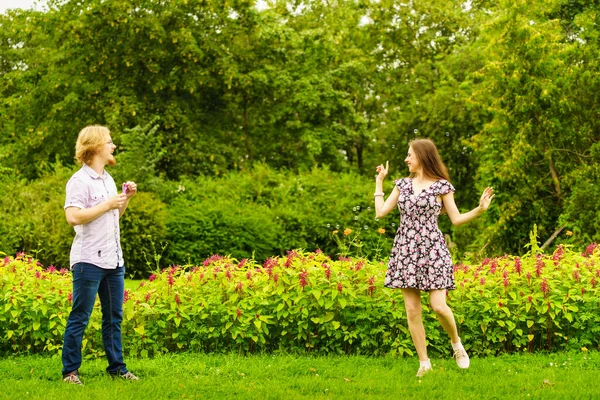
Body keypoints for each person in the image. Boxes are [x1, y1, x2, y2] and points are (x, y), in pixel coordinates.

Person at [374, 138, 494, 377]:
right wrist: (379, 182)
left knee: (438, 306)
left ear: (422, 156)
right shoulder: (402, 185)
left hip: (433, 250)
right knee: (412, 310)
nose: (406, 159)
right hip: (405, 250)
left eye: (410, 155)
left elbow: (456, 219)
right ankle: (424, 363)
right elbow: (380, 213)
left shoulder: (442, 186)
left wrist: (479, 209)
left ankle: (456, 344)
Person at [61, 125, 139, 385]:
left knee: (113, 318)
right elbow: (72, 217)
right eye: (109, 142)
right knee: (80, 317)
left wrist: (124, 199)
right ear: (95, 147)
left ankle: (117, 368)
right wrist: (107, 203)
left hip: (113, 260)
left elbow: (114, 217)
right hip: (88, 261)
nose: (113, 146)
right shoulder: (79, 181)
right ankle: (70, 373)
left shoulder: (107, 179)